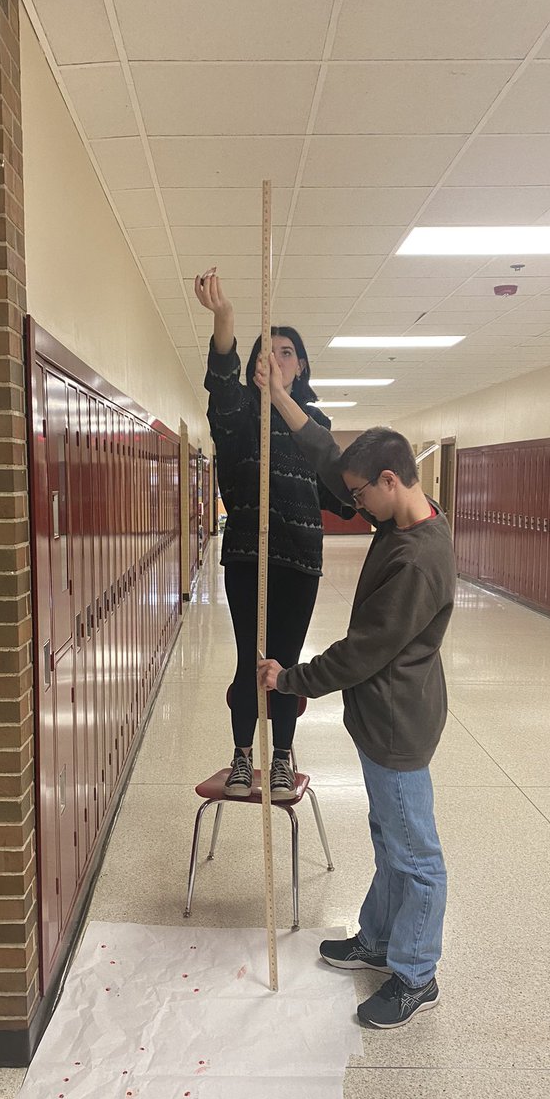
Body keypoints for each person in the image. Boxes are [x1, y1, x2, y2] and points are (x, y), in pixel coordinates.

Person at [256, 351, 456, 1030]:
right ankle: (378, 938)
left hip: (398, 726)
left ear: (391, 480)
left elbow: (364, 652)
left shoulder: (416, 559)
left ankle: (416, 974)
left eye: (362, 496)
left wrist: (291, 679)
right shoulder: (407, 515)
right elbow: (326, 456)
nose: (352, 508)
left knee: (415, 851)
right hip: (385, 719)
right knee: (390, 836)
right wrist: (282, 397)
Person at [194, 267, 354, 801]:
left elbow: (342, 496)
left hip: (299, 561)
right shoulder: (239, 417)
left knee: (282, 663)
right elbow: (221, 385)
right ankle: (243, 756)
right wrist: (225, 321)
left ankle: (281, 756)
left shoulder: (314, 425)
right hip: (246, 556)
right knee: (247, 660)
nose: (278, 358)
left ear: (301, 365)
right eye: (269, 351)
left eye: (287, 351)